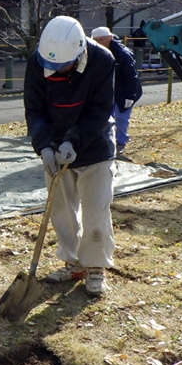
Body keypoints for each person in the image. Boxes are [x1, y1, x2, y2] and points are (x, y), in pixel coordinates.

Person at [24, 15, 116, 296]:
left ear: (78, 55)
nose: (53, 71)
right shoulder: (37, 61)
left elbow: (99, 111)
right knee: (61, 211)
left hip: (94, 144)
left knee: (95, 211)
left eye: (60, 66)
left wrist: (74, 141)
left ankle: (95, 266)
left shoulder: (103, 60)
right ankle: (73, 262)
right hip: (54, 142)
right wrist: (45, 146)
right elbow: (35, 109)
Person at [91, 26, 143, 155]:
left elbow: (131, 76)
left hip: (125, 91)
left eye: (101, 39)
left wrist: (130, 96)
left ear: (109, 38)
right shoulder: (94, 53)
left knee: (122, 118)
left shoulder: (123, 54)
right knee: (105, 117)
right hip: (107, 90)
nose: (98, 42)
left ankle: (121, 142)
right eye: (95, 40)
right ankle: (106, 141)